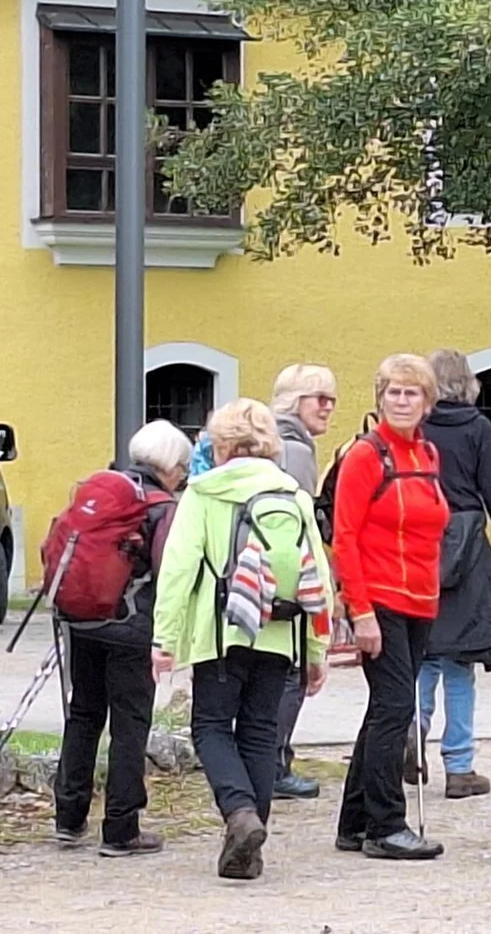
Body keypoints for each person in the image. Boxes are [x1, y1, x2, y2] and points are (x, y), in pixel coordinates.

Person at [153, 399, 330, 881]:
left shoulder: (204, 492)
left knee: (210, 725)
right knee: (258, 730)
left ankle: (239, 815)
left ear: (221, 443)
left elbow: (178, 570)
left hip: (221, 629)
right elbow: (321, 575)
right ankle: (250, 843)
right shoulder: (293, 494)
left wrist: (163, 639)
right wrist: (317, 649)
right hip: (280, 628)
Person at [332, 354, 449, 861]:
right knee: (396, 708)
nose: (402, 401)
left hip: (420, 598)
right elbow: (345, 536)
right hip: (379, 599)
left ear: (427, 401)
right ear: (379, 397)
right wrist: (359, 611)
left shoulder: (427, 455)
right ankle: (385, 825)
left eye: (412, 393)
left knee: (385, 708)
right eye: (394, 392)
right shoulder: (364, 456)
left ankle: (354, 822)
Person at [54, 419, 188, 857]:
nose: (183, 475)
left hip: (83, 620)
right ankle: (121, 828)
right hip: (131, 627)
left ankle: (68, 817)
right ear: (169, 466)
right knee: (130, 725)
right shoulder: (160, 506)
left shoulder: (104, 491)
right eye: (182, 467)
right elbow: (169, 571)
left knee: (84, 715)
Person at [414, 350, 491, 799]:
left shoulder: (414, 430)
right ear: (469, 385)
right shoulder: (479, 429)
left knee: (421, 657)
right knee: (460, 663)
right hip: (467, 555)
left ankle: (412, 739)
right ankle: (459, 766)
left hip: (420, 546)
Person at [270, 363, 339, 802]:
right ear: (296, 402)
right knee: (290, 674)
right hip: (284, 575)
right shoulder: (294, 450)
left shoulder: (269, 439)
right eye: (321, 398)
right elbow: (295, 520)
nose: (329, 407)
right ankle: (276, 763)